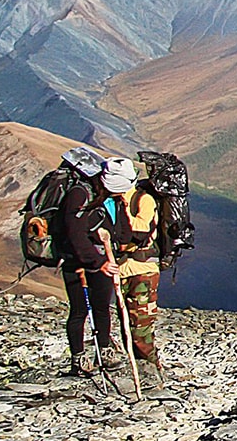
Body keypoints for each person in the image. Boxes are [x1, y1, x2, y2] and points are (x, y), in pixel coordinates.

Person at [103, 156, 166, 388]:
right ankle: (139, 370)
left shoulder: (143, 200)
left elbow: (140, 230)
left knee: (140, 326)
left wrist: (115, 224)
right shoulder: (110, 201)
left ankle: (152, 372)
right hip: (121, 269)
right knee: (126, 323)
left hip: (142, 270)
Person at [56, 147, 118, 377]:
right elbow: (75, 233)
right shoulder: (80, 194)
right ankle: (79, 359)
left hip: (97, 258)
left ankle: (104, 351)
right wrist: (97, 261)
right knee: (80, 310)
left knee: (101, 307)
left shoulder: (100, 195)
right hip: (77, 261)